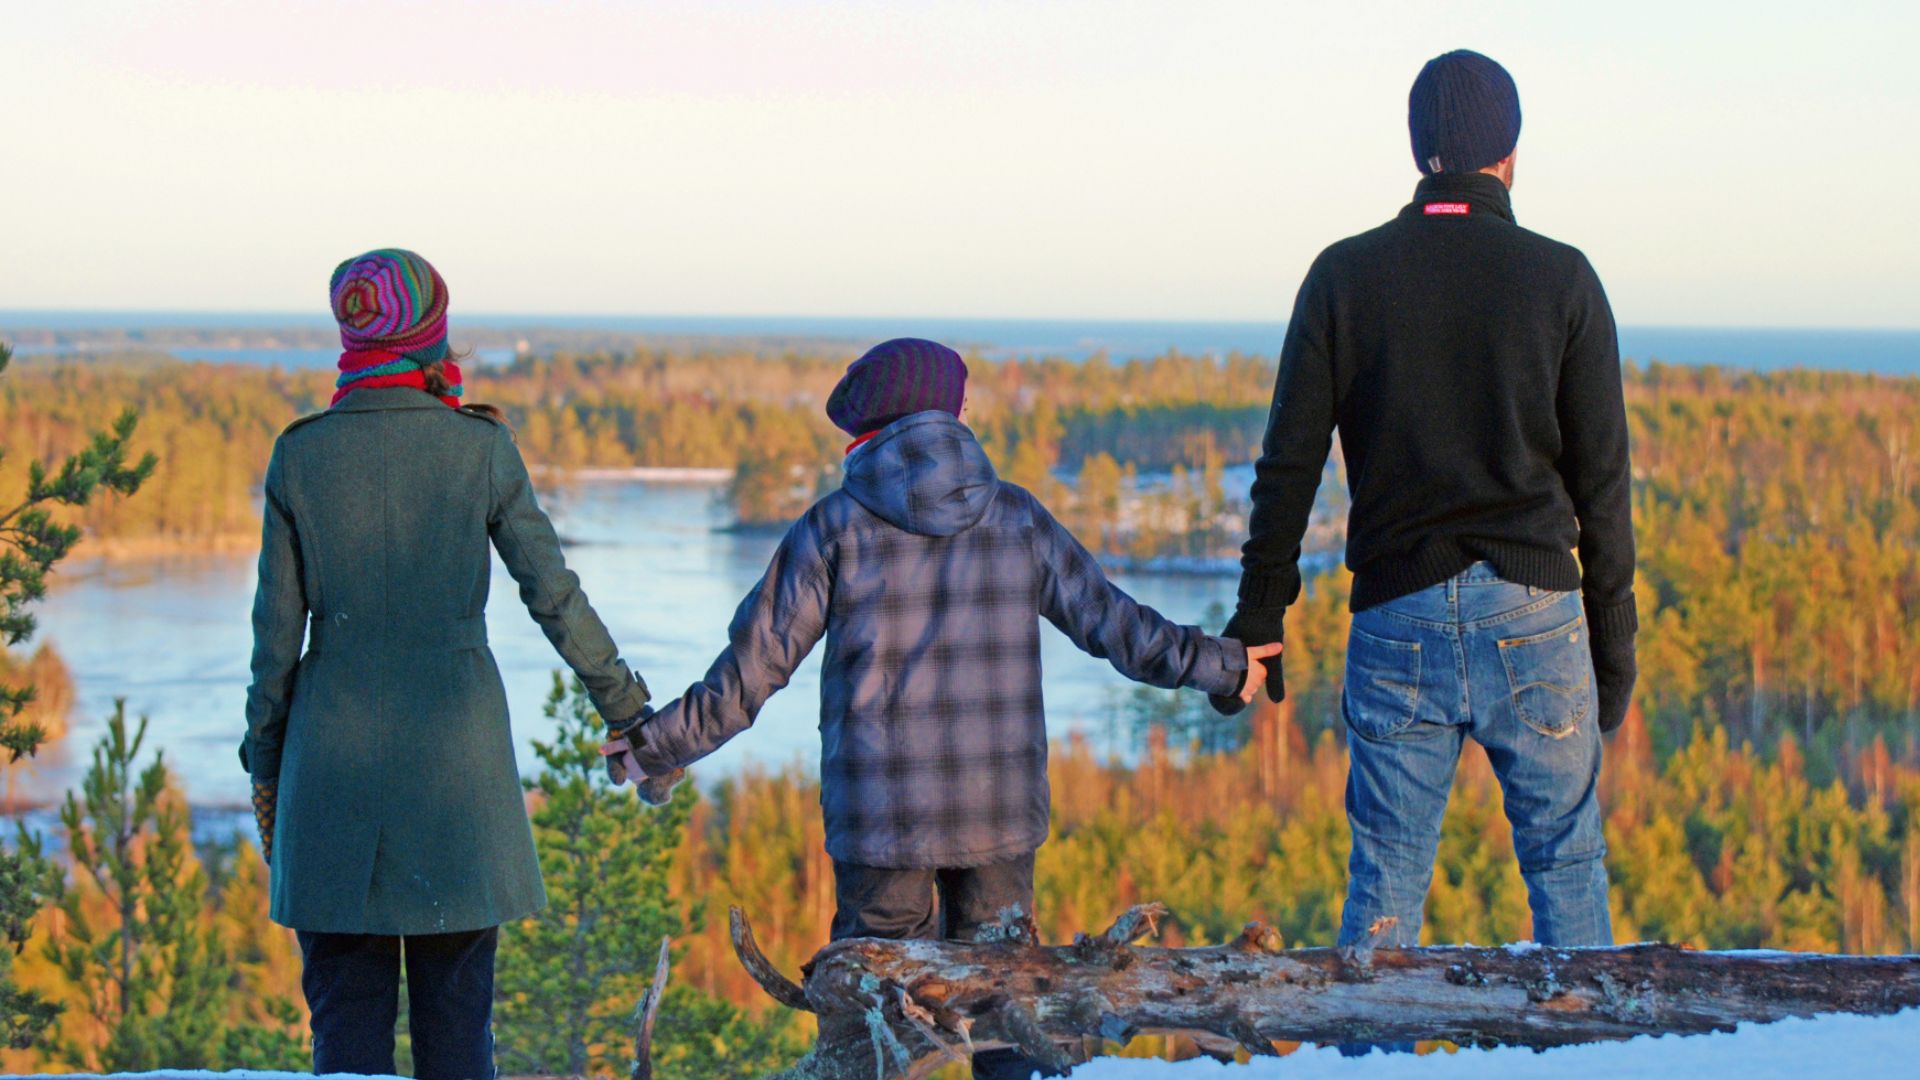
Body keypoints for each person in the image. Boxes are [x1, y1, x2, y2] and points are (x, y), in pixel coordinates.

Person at [603, 337, 1278, 1078]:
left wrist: (653, 746)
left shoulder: (833, 528)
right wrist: (1226, 667)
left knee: (879, 1033)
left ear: (870, 426)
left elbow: (748, 677)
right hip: (999, 813)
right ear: (952, 414)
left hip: (880, 825)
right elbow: (1119, 628)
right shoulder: (1018, 518)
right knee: (1004, 1016)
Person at [1214, 50, 1637, 957]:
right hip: (1535, 611)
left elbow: (1289, 463)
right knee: (1566, 863)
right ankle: (1601, 1054)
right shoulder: (1563, 278)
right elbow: (1603, 483)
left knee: (1385, 877)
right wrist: (1614, 642)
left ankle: (1366, 1056)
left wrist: (1260, 613)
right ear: (1511, 151)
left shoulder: (1344, 276)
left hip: (1397, 612)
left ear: (1418, 150)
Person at [242, 248, 651, 1079]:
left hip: (331, 775)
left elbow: (274, 643)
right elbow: (554, 596)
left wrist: (264, 762)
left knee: (346, 1032)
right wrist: (628, 711)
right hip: (457, 777)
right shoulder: (480, 448)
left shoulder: (302, 455)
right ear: (432, 331)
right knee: (459, 1027)